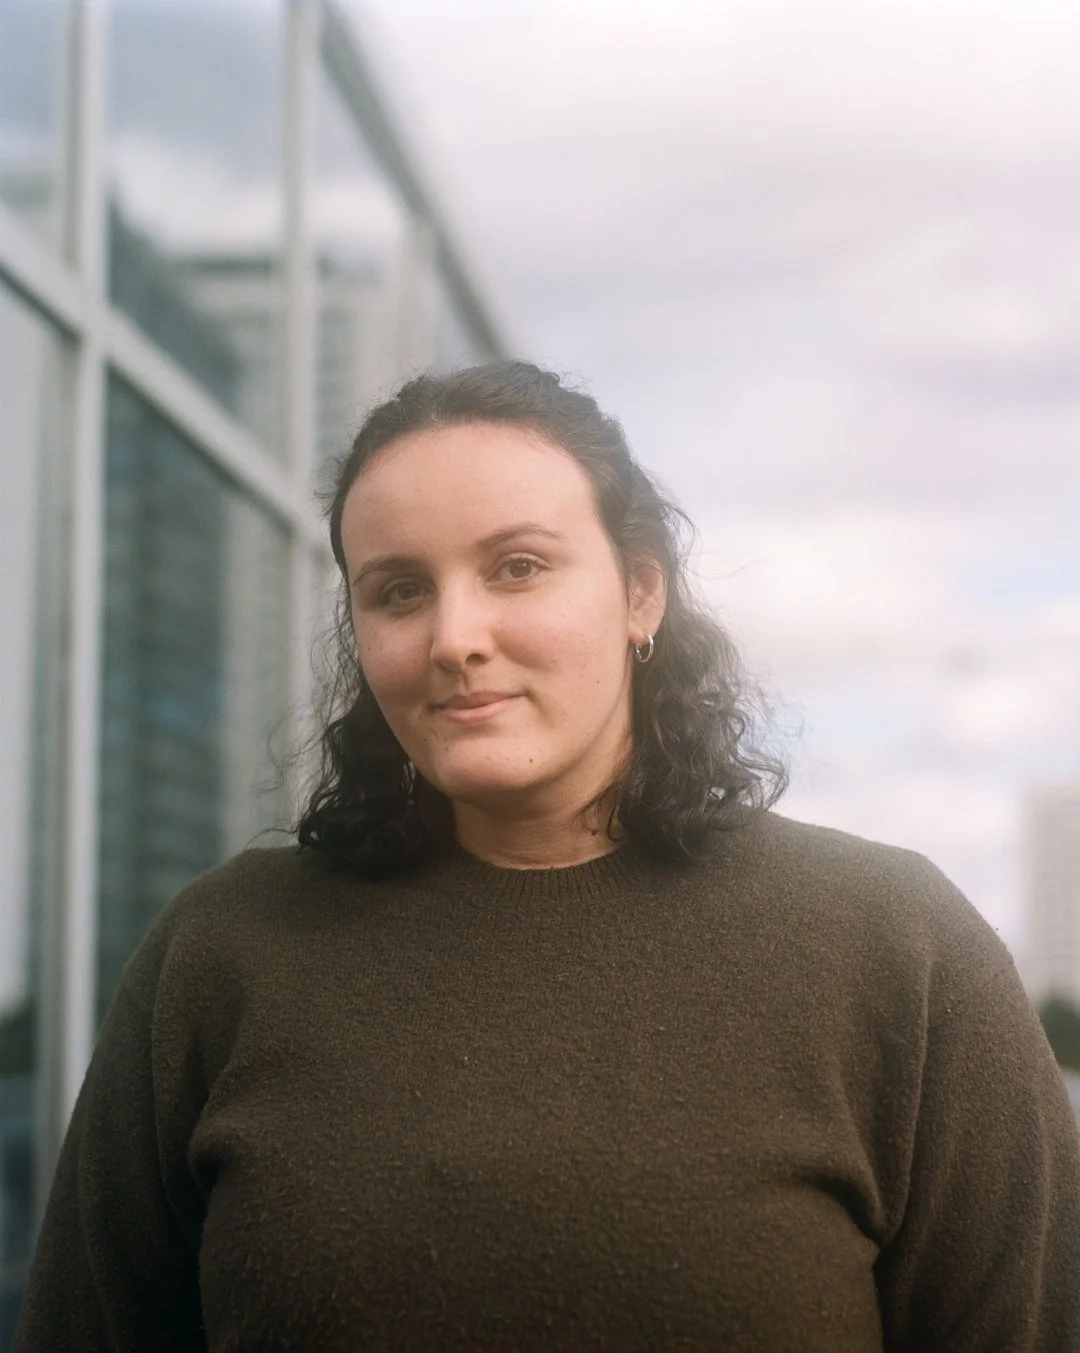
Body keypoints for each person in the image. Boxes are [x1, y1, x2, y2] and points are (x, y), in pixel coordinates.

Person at [14, 361, 1080, 1351]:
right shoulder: (223, 952)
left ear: (640, 595)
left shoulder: (897, 945)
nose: (454, 636)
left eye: (517, 567)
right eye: (398, 591)